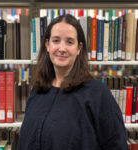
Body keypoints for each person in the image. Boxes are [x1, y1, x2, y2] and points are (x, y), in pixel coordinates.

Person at [17, 14, 129, 150]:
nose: (62, 48)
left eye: (69, 42)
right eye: (56, 41)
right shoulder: (38, 91)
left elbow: (117, 145)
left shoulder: (98, 94)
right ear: (47, 45)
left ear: (79, 49)